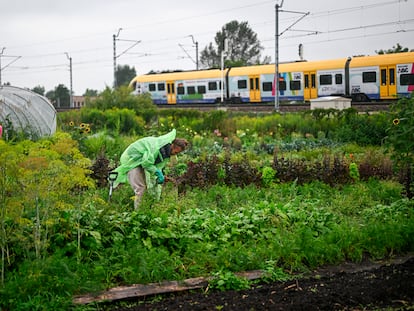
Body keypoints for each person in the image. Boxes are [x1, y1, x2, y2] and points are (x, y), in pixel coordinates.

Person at [112, 129, 188, 208]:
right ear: (172, 145)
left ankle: (145, 209)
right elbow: (146, 164)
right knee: (140, 188)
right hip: (132, 159)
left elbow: (155, 169)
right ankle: (138, 213)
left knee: (148, 186)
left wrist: (159, 176)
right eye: (176, 152)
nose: (175, 155)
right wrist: (158, 173)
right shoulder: (155, 147)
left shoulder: (166, 153)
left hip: (142, 161)